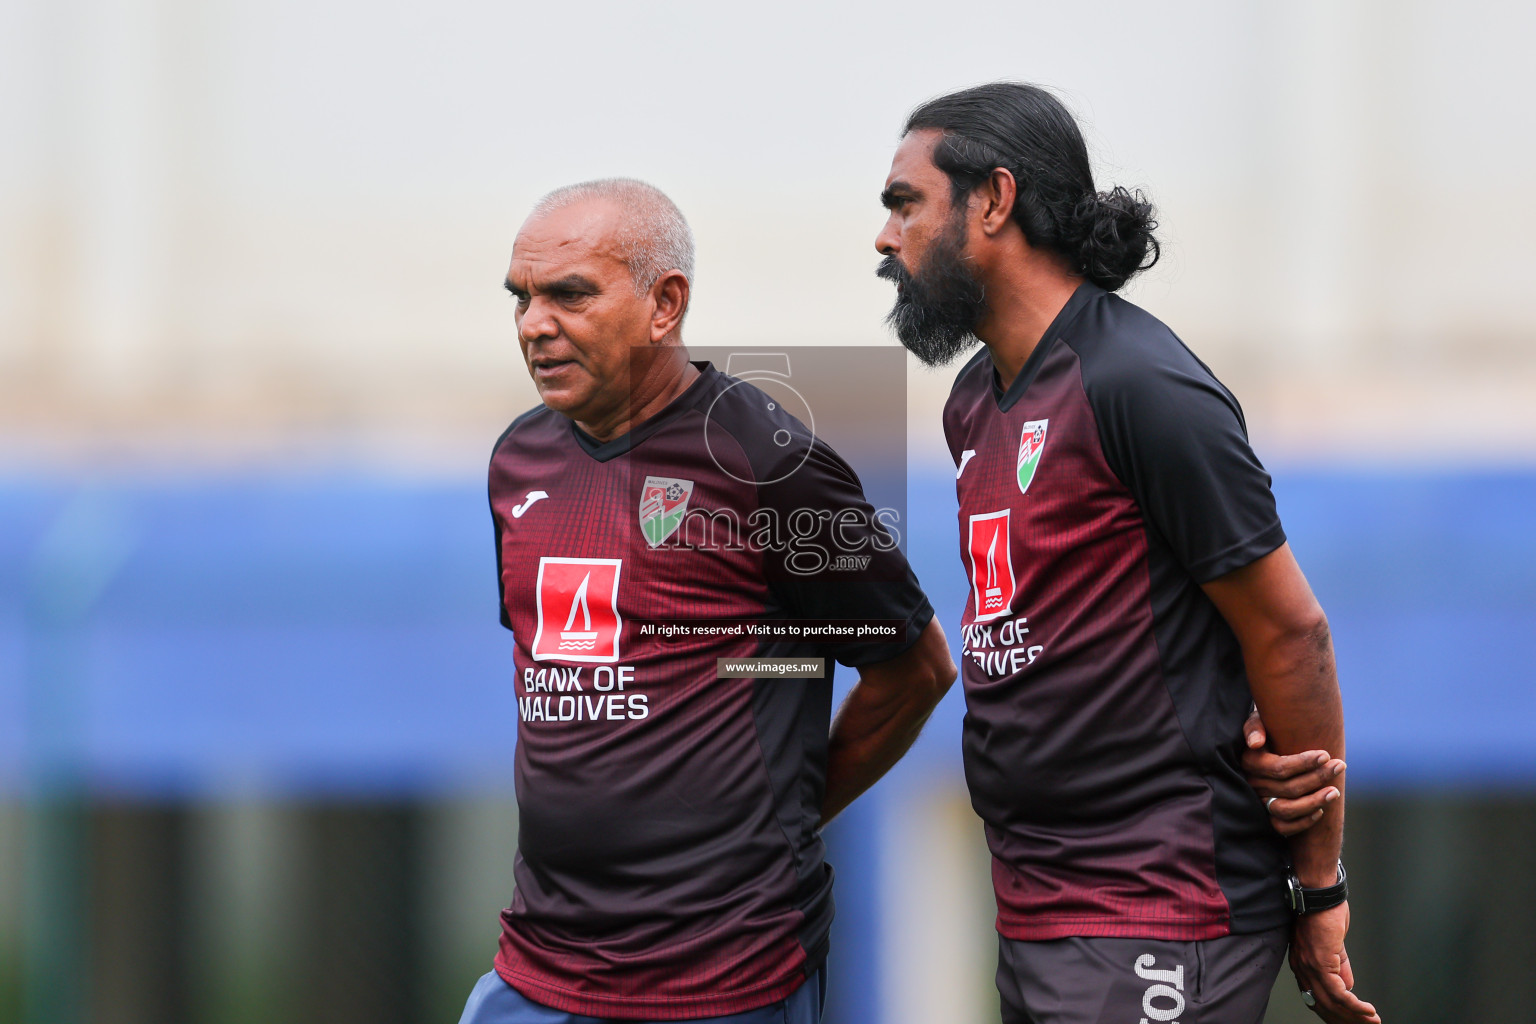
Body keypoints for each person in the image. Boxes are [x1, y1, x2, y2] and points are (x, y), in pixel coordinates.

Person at [874, 83, 1380, 1024]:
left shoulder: (1140, 382)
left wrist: (1317, 887)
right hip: (1035, 913)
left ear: (993, 199)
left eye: (905, 204)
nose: (885, 238)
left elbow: (1290, 633)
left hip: (1163, 907)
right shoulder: (974, 405)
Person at [458, 178, 957, 1023]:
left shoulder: (768, 460)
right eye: (522, 299)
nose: (534, 324)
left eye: (569, 294)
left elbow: (917, 669)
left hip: (720, 977)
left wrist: (785, 816)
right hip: (537, 969)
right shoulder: (519, 459)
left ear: (666, 303)